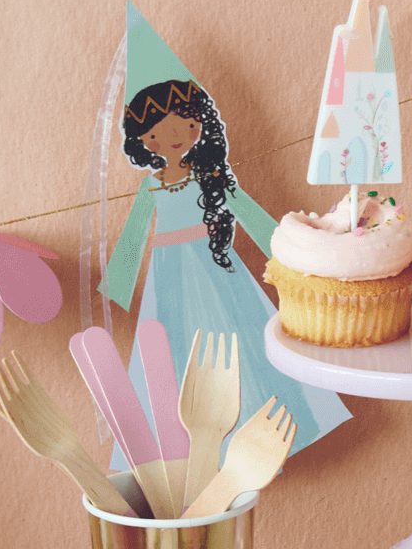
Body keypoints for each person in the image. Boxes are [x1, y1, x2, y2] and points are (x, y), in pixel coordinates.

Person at [102, 78, 348, 460]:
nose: (179, 134)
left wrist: (294, 251)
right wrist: (117, 285)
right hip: (168, 274)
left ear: (199, 125)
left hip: (214, 260)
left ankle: (259, 437)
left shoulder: (212, 175)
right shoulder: (151, 188)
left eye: (187, 123)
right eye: (161, 130)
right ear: (146, 140)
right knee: (174, 349)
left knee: (240, 341)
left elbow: (247, 212)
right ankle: (185, 452)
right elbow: (134, 235)